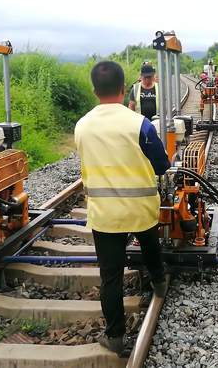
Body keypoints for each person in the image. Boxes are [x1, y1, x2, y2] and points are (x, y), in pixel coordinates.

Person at [75, 61, 169, 355]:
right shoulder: (139, 124)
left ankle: (115, 336)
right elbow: (162, 165)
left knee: (110, 276)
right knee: (151, 247)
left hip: (105, 214)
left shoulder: (82, 126)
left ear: (94, 90)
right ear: (123, 87)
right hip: (140, 207)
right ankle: (159, 282)